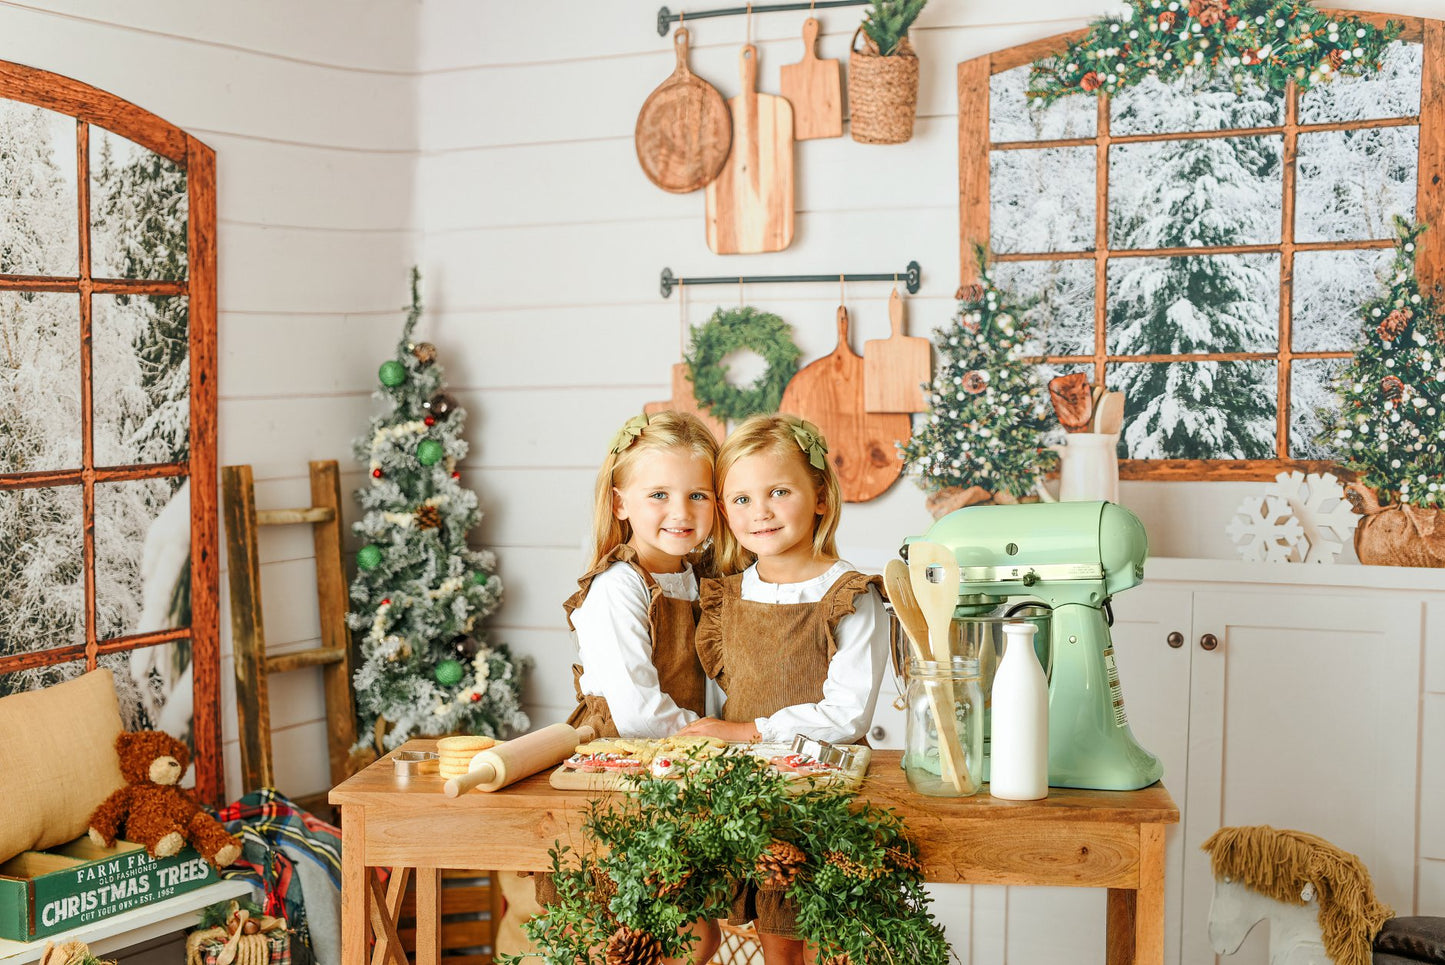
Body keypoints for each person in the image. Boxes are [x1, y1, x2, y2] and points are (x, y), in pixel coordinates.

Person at [678, 413, 888, 964]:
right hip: (744, 797)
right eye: (741, 499)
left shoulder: (850, 595)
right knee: (741, 936)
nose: (761, 511)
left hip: (820, 797)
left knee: (804, 944)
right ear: (725, 510)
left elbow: (847, 715)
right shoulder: (725, 596)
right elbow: (719, 697)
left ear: (820, 497)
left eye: (778, 492)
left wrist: (747, 732)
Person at [565, 410, 719, 741]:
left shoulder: (704, 580)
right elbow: (641, 716)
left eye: (697, 495)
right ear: (619, 504)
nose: (681, 512)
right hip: (624, 754)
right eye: (659, 495)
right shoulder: (617, 587)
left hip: (687, 753)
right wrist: (725, 737)